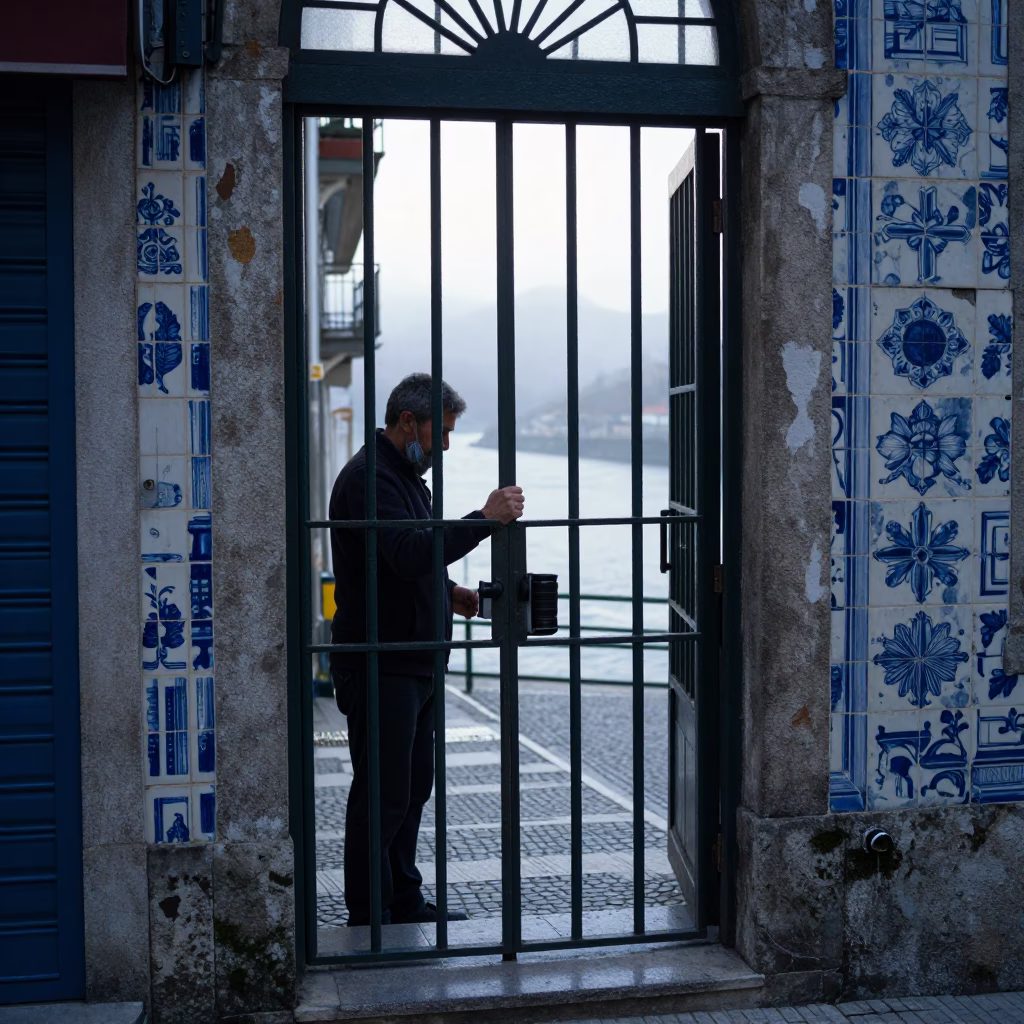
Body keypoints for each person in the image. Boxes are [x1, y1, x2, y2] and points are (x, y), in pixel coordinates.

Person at [329, 373, 525, 926]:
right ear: (407, 422)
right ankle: (369, 911)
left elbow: (408, 559)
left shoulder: (406, 478)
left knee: (412, 786)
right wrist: (484, 520)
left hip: (415, 658)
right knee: (383, 792)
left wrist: (448, 593)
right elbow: (406, 551)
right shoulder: (369, 478)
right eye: (441, 431)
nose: (444, 444)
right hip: (380, 660)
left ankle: (404, 898)